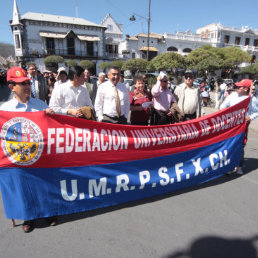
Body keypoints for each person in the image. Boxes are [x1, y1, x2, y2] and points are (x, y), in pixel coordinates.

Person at [0, 66, 56, 233]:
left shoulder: (40, 105)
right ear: (11, 87)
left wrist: (51, 115)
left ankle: (48, 213)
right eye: (21, 83)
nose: (26, 86)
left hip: (41, 155)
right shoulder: (4, 110)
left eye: (27, 82)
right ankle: (28, 217)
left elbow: (53, 125)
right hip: (19, 158)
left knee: (43, 185)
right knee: (24, 188)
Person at [220, 79, 258, 175]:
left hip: (243, 126)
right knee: (229, 145)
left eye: (239, 86)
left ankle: (239, 166)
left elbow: (256, 111)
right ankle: (229, 166)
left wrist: (250, 117)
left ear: (245, 89)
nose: (236, 88)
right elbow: (223, 106)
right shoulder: (232, 95)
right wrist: (226, 110)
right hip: (230, 125)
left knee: (240, 146)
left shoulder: (251, 99)